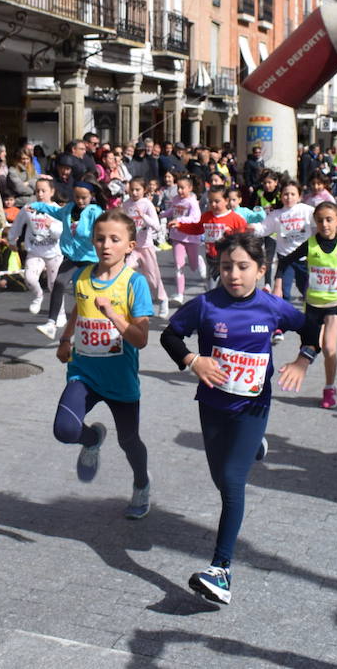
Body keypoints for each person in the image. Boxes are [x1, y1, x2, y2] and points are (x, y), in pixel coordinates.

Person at [161, 232, 311, 605]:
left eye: (243, 267)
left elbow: (310, 329)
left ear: (261, 270)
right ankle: (254, 449)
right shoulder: (206, 305)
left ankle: (220, 570)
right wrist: (193, 361)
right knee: (219, 476)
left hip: (252, 406)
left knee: (231, 481)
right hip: (212, 404)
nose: (233, 274)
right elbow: (170, 336)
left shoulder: (273, 307)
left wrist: (302, 361)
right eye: (226, 266)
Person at [53, 210, 154, 518]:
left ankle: (141, 483)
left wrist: (113, 314)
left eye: (114, 239)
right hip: (83, 372)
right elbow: (78, 311)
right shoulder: (82, 277)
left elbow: (140, 339)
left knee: (129, 440)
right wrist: (66, 340)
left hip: (120, 379)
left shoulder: (134, 283)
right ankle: (93, 438)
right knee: (65, 429)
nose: (105, 245)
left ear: (130, 245)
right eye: (100, 239)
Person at [278, 201, 337, 408]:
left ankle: (330, 387)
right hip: (312, 305)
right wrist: (277, 284)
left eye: (329, 219)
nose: (324, 224)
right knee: (311, 346)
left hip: (333, 304)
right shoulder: (310, 244)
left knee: (329, 347)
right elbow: (285, 261)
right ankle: (301, 366)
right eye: (320, 220)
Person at [30, 180, 103, 340]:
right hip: (71, 257)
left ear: (92, 196)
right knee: (59, 283)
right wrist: (38, 206)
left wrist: (97, 239)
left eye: (84, 197)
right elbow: (55, 211)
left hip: (90, 259)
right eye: (77, 197)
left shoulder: (94, 211)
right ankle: (51, 324)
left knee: (87, 294)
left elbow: (102, 227)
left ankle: (97, 325)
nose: (80, 200)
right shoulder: (69, 209)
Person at [10, 177, 63, 316]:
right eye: (37, 191)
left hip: (54, 253)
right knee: (29, 278)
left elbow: (62, 233)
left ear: (52, 192)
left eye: (43, 191)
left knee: (54, 286)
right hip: (35, 252)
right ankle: (38, 296)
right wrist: (11, 240)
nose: (40, 194)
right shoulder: (29, 208)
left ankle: (60, 313)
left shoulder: (58, 210)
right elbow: (17, 224)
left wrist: (51, 226)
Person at [122, 178, 169, 318]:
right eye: (132, 189)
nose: (134, 192)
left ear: (144, 190)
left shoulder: (147, 204)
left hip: (146, 246)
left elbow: (156, 225)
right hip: (131, 247)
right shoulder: (126, 204)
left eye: (138, 190)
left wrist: (144, 217)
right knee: (126, 273)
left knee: (153, 278)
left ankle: (162, 299)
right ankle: (130, 303)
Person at [261, 181, 313, 304]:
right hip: (286, 258)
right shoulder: (276, 215)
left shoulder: (307, 211)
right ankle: (286, 317)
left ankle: (311, 316)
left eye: (292, 194)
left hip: (304, 259)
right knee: (285, 292)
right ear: (281, 196)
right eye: (285, 194)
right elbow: (263, 228)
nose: (289, 197)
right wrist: (251, 228)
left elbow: (320, 218)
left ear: (299, 196)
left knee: (306, 290)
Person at [162, 174, 204, 303]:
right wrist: (161, 214)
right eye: (178, 187)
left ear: (190, 188)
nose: (180, 191)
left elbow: (195, 218)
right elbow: (172, 211)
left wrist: (179, 220)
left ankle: (199, 260)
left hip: (191, 237)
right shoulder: (175, 199)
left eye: (182, 188)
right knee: (178, 265)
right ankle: (179, 294)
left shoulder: (192, 202)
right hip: (177, 236)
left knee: (193, 266)